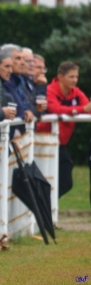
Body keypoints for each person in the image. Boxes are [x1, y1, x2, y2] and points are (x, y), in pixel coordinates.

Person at [37, 61, 91, 198]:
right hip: (43, 141)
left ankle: (45, 205)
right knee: (56, 179)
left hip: (60, 142)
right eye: (71, 77)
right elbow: (54, 109)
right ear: (60, 77)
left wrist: (83, 109)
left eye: (76, 77)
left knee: (65, 181)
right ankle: (44, 205)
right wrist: (81, 110)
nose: (75, 80)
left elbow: (87, 108)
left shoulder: (76, 92)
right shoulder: (50, 90)